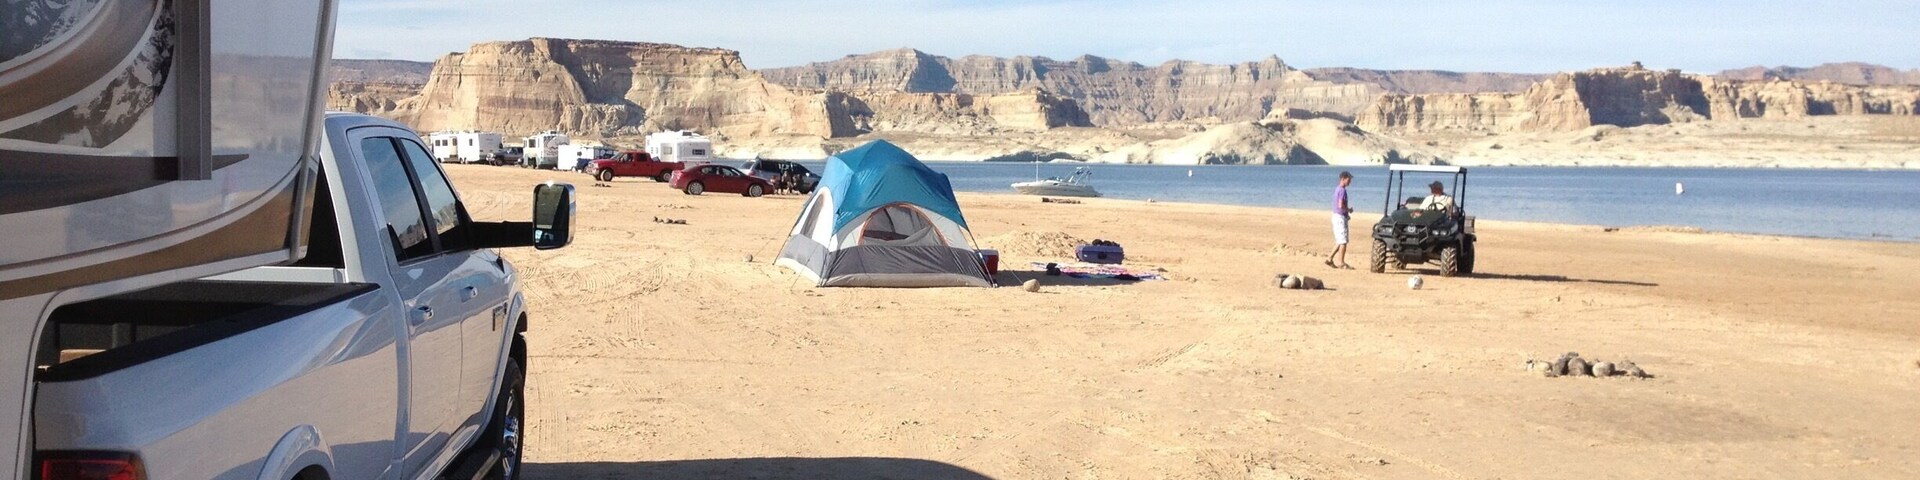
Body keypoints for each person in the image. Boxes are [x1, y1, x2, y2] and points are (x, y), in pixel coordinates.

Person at [1325, 171, 1354, 269]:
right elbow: (1340, 205)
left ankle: (1329, 258)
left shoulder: (1337, 189)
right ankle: (1341, 262)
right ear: (1343, 179)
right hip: (1339, 217)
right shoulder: (1342, 190)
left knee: (1339, 240)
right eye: (1349, 180)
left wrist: (1346, 214)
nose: (1350, 182)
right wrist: (1348, 210)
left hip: (1337, 216)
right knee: (1343, 241)